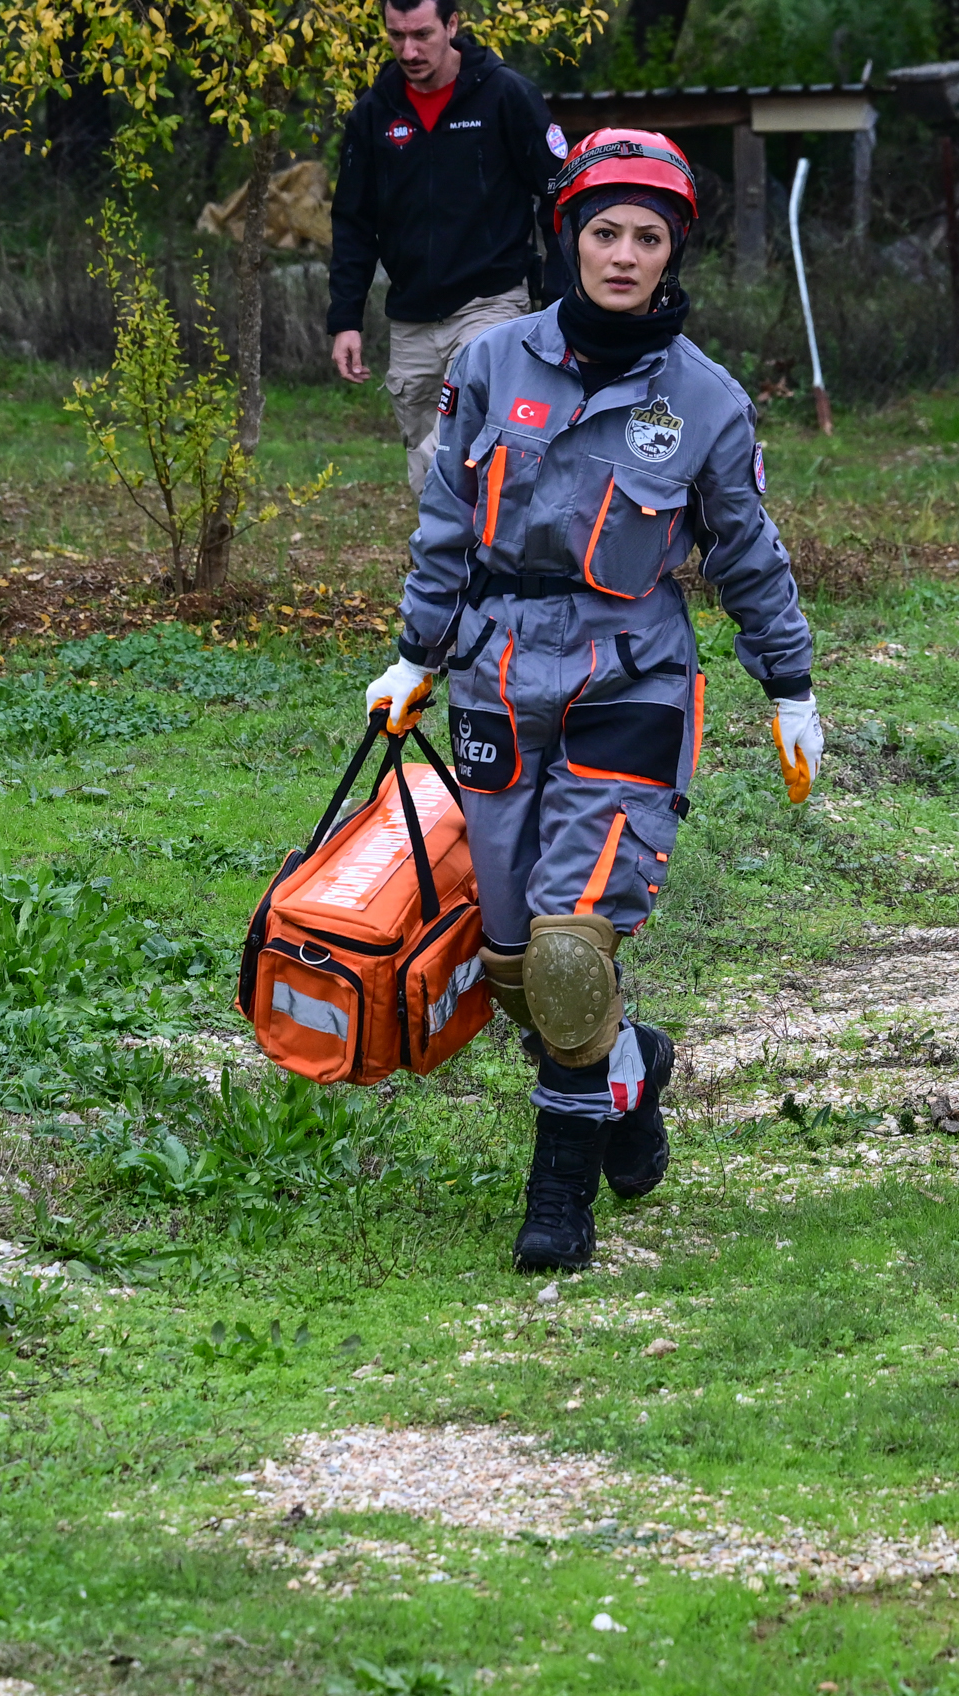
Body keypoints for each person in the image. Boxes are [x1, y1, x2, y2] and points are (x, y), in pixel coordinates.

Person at [362, 128, 823, 1273]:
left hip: (632, 671)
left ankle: (557, 1205)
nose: (624, 254)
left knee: (575, 950)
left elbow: (746, 552)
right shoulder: (489, 364)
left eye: (648, 237)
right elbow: (446, 528)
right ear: (568, 236)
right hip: (496, 670)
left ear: (676, 254)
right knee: (519, 964)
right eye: (605, 231)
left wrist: (791, 679)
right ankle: (630, 1068)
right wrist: (417, 654)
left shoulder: (706, 400)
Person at [327, 0, 575, 496]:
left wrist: (560, 293)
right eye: (396, 36)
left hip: (490, 301)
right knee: (427, 452)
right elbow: (352, 222)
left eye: (422, 35)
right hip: (412, 314)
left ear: (452, 26)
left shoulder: (505, 95)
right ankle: (450, 566)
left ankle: (481, 557)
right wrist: (345, 319)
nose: (409, 51)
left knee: (463, 434)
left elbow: (561, 194)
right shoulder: (373, 114)